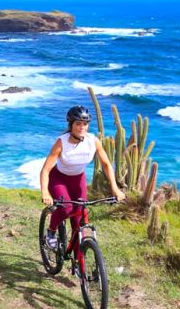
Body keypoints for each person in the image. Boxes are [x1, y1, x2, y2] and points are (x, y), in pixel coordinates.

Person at [40, 105, 125, 249]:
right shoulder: (61, 142)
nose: (82, 128)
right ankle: (51, 231)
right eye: (78, 124)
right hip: (59, 179)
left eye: (85, 124)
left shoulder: (93, 141)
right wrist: (45, 192)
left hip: (78, 179)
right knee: (66, 208)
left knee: (80, 216)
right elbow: (46, 170)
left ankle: (79, 262)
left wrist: (115, 189)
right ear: (71, 125)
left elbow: (106, 164)